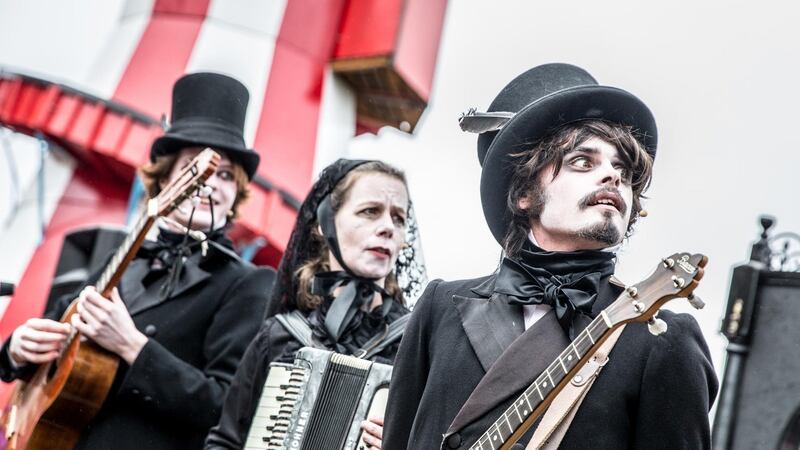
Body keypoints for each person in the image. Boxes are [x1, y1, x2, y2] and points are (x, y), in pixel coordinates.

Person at [382, 63, 718, 449]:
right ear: (525, 194)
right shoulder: (439, 308)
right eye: (583, 162)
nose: (611, 176)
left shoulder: (662, 337)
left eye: (623, 171)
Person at [0, 72, 275, 450]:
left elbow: (227, 409)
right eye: (192, 167)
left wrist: (133, 346)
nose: (210, 183)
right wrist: (16, 348)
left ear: (235, 195)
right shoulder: (125, 258)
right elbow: (60, 324)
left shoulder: (249, 282)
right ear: (166, 183)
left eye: (226, 175)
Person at [205, 158, 425, 450]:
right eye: (370, 211)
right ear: (325, 223)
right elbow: (225, 441)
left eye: (399, 218)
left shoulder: (417, 345)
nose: (388, 227)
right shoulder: (281, 335)